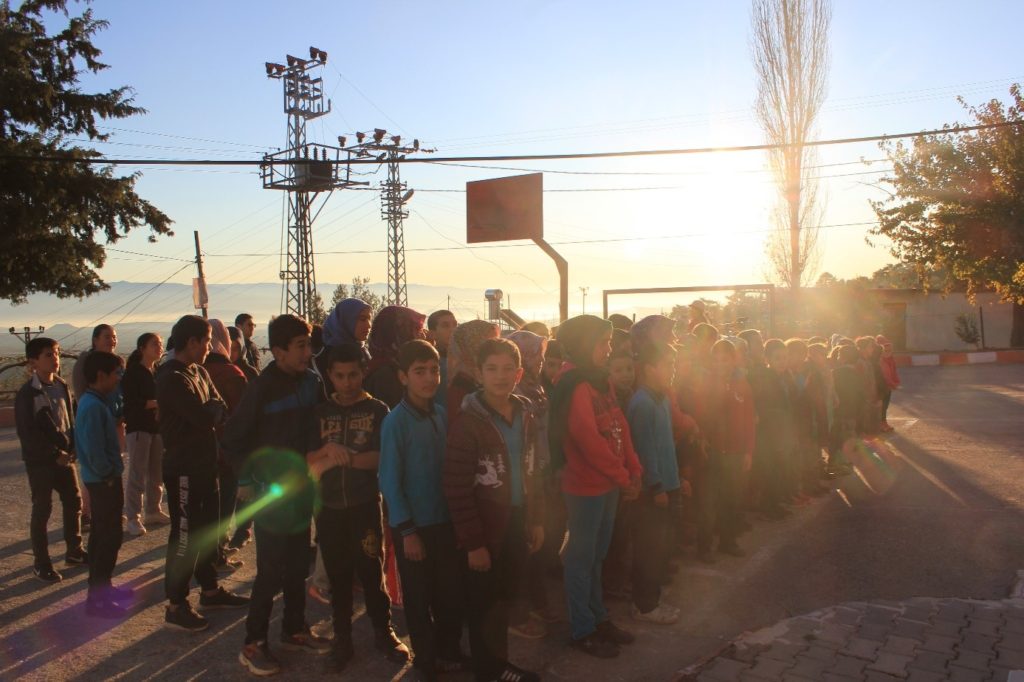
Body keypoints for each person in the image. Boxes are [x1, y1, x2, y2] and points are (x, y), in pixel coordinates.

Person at [226, 315, 376, 675]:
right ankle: (253, 643)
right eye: (300, 346)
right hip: (271, 492)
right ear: (277, 351)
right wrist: (245, 479)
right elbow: (233, 437)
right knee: (270, 571)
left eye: (309, 344)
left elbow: (325, 422)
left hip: (302, 489)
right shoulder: (262, 388)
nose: (309, 352)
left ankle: (294, 629)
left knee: (297, 566)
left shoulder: (311, 382)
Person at [444, 338, 543, 682]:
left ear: (519, 374)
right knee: (484, 604)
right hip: (485, 529)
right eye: (491, 369)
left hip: (515, 521)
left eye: (507, 370)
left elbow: (534, 471)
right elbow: (456, 488)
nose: (500, 377)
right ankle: (490, 670)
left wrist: (534, 520)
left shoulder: (525, 414)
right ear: (478, 374)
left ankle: (499, 664)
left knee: (503, 598)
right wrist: (473, 543)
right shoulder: (468, 423)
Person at [307, 344, 410, 673]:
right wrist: (327, 449)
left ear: (362, 373)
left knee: (370, 571)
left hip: (365, 504)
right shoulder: (319, 413)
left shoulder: (379, 410)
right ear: (330, 376)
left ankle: (384, 632)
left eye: (353, 374)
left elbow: (383, 456)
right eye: (340, 375)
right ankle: (343, 638)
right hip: (329, 508)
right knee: (337, 576)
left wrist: (347, 458)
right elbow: (307, 459)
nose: (347, 382)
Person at [548, 315, 641, 659]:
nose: (608, 349)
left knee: (597, 555)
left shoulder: (601, 381)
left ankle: (598, 616)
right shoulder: (573, 383)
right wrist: (623, 475)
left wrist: (634, 467)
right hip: (585, 487)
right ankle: (582, 627)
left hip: (609, 484)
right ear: (587, 344)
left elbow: (619, 425)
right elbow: (587, 439)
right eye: (603, 343)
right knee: (580, 558)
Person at [158, 315, 249, 634]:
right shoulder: (170, 377)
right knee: (184, 537)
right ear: (192, 342)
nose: (211, 347)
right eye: (207, 341)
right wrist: (209, 411)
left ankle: (210, 591)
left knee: (210, 529)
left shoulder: (198, 371)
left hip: (207, 464)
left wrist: (210, 410)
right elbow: (202, 415)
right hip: (182, 469)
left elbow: (219, 406)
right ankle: (176, 604)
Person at [379, 340, 464, 681]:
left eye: (434, 371)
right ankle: (426, 660)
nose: (429, 379)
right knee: (418, 596)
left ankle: (448, 651)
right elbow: (389, 480)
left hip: (445, 522)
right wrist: (407, 530)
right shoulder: (395, 422)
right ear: (403, 377)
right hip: (414, 527)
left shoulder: (441, 415)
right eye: (419, 372)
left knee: (449, 592)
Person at [15, 337, 87, 583]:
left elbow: (71, 420)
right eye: (48, 354)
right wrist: (54, 454)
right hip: (41, 463)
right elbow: (29, 434)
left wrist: (74, 446)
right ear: (33, 362)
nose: (55, 358)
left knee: (74, 502)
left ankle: (74, 551)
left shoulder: (61, 385)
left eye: (56, 353)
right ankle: (41, 563)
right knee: (42, 510)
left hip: (66, 458)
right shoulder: (28, 394)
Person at [508, 330, 561, 636]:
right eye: (536, 356)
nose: (540, 362)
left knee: (541, 541)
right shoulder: (516, 392)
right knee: (525, 544)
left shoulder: (538, 386)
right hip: (525, 476)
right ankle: (520, 610)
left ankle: (537, 600)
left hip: (542, 472)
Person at [626, 342, 681, 625]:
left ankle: (650, 600)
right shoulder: (643, 403)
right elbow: (644, 451)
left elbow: (665, 446)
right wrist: (657, 486)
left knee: (658, 548)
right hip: (653, 491)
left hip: (668, 484)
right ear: (649, 369)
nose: (673, 369)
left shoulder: (660, 399)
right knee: (649, 549)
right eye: (668, 365)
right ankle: (646, 605)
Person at [75, 350, 131, 618]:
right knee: (107, 539)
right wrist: (109, 474)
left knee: (105, 536)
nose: (119, 379)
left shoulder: (97, 402)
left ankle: (102, 589)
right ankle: (97, 598)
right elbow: (95, 450)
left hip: (103, 479)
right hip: (103, 481)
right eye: (116, 374)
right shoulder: (92, 406)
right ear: (101, 376)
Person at [695, 339, 755, 557]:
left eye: (726, 360)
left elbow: (749, 420)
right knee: (708, 503)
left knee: (732, 499)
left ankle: (728, 542)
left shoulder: (743, 385)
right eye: (717, 360)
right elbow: (700, 415)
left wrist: (749, 450)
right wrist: (702, 437)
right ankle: (704, 547)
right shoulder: (706, 384)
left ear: (733, 360)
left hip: (736, 453)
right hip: (712, 451)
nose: (722, 364)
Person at [203, 320, 248, 573]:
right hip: (227, 451)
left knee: (210, 506)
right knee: (225, 505)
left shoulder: (196, 370)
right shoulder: (232, 374)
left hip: (204, 450)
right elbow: (243, 415)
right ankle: (217, 555)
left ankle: (212, 552)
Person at [72, 323, 120, 527]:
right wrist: (108, 475)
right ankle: (88, 512)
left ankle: (103, 513)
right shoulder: (86, 363)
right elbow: (94, 450)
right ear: (95, 340)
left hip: (113, 418)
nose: (112, 340)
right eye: (107, 336)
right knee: (96, 464)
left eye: (114, 336)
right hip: (97, 417)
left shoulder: (117, 362)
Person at [122, 332, 169, 537]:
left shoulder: (157, 371)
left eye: (160, 344)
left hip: (156, 427)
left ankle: (153, 510)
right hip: (139, 428)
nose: (159, 347)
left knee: (156, 472)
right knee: (137, 473)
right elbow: (131, 402)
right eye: (154, 344)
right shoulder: (133, 372)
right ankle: (133, 517)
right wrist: (156, 404)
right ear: (142, 348)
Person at [365, 305, 427, 409]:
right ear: (399, 333)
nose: (422, 336)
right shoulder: (386, 375)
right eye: (415, 330)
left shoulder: (398, 365)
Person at [446, 319, 499, 423]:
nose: (494, 350)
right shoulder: (461, 387)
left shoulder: (481, 378)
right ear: (472, 346)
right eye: (488, 344)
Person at [318, 298, 374, 380]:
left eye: (369, 319)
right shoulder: (327, 357)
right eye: (363, 319)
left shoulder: (363, 351)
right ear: (346, 320)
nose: (368, 325)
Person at [426, 309, 458, 409]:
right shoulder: (429, 363)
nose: (453, 329)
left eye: (455, 325)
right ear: (432, 334)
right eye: (445, 326)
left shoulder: (464, 360)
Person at [876, 335, 901, 432]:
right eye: (885, 349)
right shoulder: (880, 361)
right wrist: (893, 384)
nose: (888, 351)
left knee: (885, 406)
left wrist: (896, 381)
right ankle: (880, 423)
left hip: (888, 387)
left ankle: (883, 422)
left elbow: (893, 372)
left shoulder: (890, 360)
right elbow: (885, 376)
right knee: (882, 406)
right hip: (882, 386)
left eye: (890, 349)